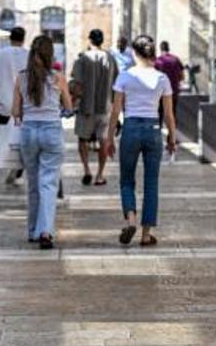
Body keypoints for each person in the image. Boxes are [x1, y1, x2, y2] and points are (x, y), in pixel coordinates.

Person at [104, 34, 176, 247]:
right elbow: (169, 114)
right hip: (154, 128)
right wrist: (172, 138)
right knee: (151, 183)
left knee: (127, 180)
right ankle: (146, 235)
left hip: (131, 128)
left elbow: (116, 111)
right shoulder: (162, 79)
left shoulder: (125, 77)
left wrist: (109, 138)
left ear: (134, 53)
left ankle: (131, 220)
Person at [12, 35, 73, 250]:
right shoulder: (58, 78)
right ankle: (45, 231)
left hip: (29, 132)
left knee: (33, 183)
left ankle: (32, 230)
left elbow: (15, 111)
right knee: (48, 182)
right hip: (51, 132)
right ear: (50, 56)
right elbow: (68, 106)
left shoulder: (21, 78)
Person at [70, 29, 116, 186]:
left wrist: (72, 101)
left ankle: (87, 170)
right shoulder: (111, 59)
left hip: (86, 107)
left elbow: (76, 84)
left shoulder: (82, 59)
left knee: (82, 139)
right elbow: (116, 84)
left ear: (90, 40)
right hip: (105, 107)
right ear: (102, 41)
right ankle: (100, 175)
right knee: (104, 141)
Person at [0, 26, 29, 184]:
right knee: (21, 139)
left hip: (2, 105)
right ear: (23, 39)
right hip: (24, 106)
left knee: (0, 138)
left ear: (10, 38)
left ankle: (3, 164)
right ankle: (16, 170)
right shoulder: (29, 55)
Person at [154, 41, 185, 128]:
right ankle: (172, 137)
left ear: (160, 49)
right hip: (173, 91)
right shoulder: (176, 59)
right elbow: (182, 76)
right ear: (168, 48)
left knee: (159, 114)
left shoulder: (158, 61)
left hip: (161, 92)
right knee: (172, 114)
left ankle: (158, 136)